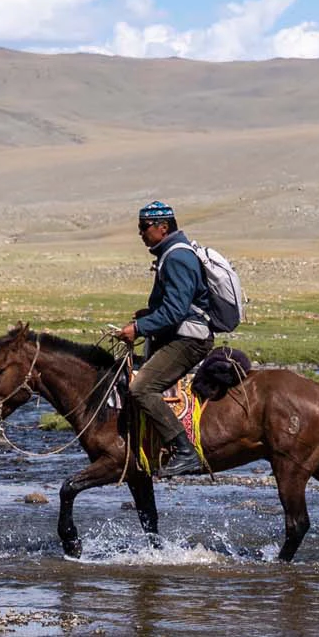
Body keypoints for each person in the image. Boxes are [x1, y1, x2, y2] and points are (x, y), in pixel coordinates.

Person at [112, 200, 212, 475]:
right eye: (140, 227)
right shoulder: (171, 253)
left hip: (189, 340)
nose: (141, 233)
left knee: (141, 388)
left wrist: (139, 328)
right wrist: (146, 316)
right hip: (181, 334)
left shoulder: (177, 257)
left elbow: (176, 311)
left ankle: (184, 450)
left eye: (144, 227)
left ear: (163, 227)